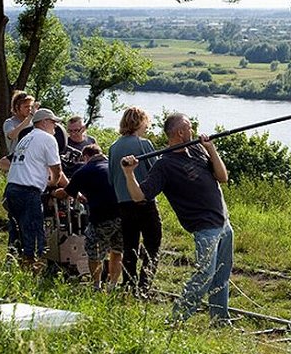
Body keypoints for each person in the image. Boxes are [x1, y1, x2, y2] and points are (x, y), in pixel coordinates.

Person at [120, 113, 233, 324]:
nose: (193, 130)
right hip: (204, 228)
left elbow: (222, 177)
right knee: (204, 276)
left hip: (224, 223)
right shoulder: (165, 165)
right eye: (189, 127)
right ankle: (174, 321)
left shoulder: (198, 149)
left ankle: (219, 320)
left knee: (221, 276)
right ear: (180, 132)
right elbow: (139, 196)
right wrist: (129, 174)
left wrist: (211, 149)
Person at [53, 144, 123, 291]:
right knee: (117, 251)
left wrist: (53, 192)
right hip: (123, 215)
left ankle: (96, 285)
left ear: (86, 157)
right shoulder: (115, 166)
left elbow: (66, 192)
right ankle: (112, 285)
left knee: (94, 252)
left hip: (101, 217)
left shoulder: (85, 170)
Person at [108, 107, 161, 294]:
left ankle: (128, 283)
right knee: (152, 243)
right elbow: (156, 171)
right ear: (140, 122)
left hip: (122, 203)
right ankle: (144, 284)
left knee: (129, 245)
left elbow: (110, 178)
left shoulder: (114, 147)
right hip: (143, 202)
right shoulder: (143, 144)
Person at [4, 108, 64, 271]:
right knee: (34, 231)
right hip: (28, 191)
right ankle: (32, 268)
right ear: (44, 122)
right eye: (53, 122)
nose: (55, 127)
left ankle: (12, 263)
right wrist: (53, 183)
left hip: (12, 188)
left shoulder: (26, 138)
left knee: (17, 229)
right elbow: (56, 169)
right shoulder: (47, 138)